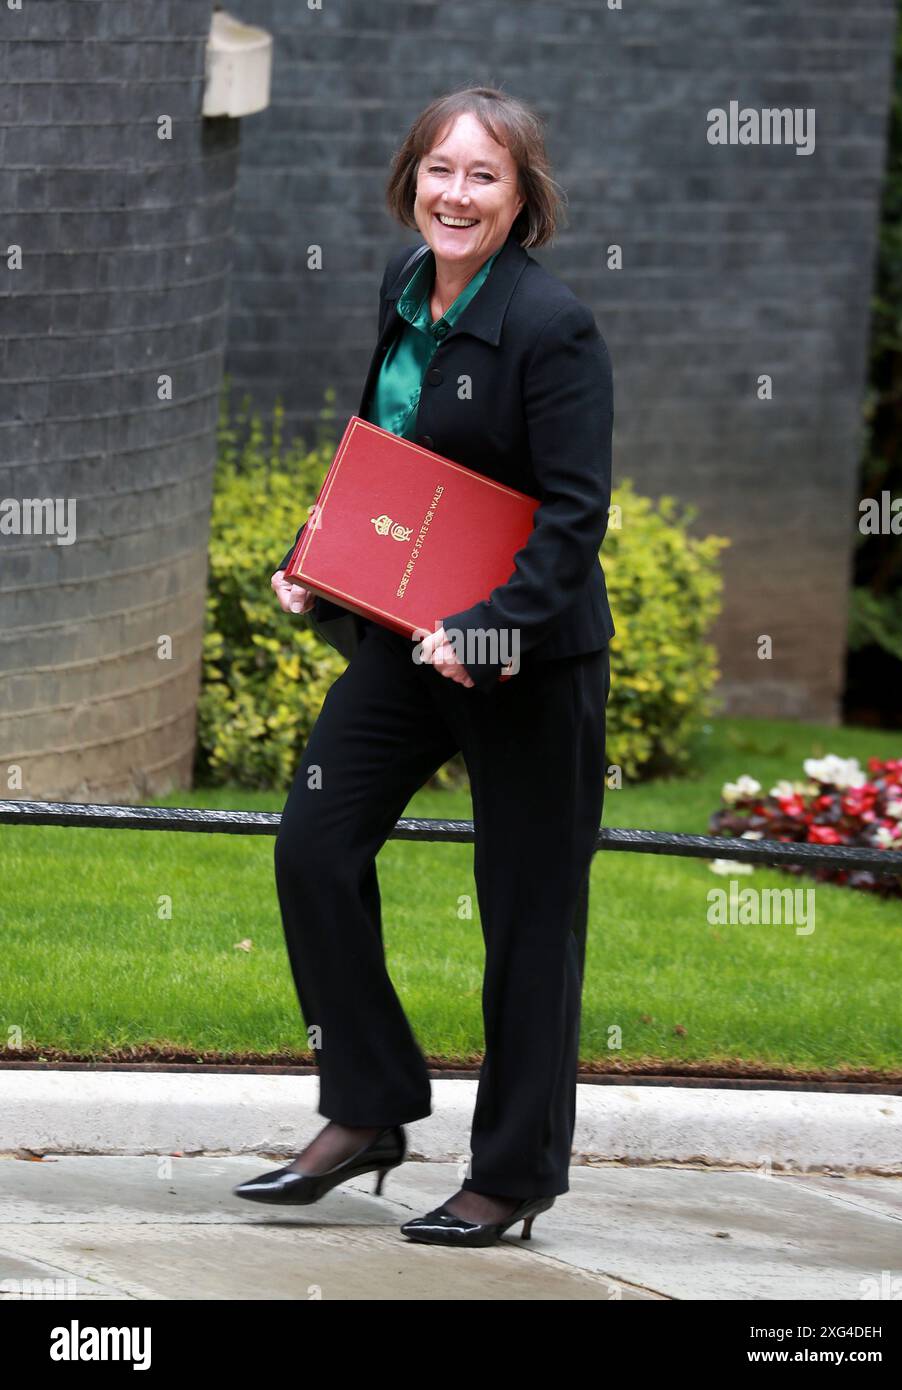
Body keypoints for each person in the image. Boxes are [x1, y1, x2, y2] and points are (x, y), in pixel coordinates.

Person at [234, 86, 614, 1248]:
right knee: (313, 843)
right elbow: (391, 472)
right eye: (439, 170)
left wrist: (488, 628)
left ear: (520, 198)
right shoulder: (402, 291)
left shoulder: (552, 329)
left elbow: (572, 517)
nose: (454, 193)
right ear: (412, 178)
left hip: (524, 660)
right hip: (407, 645)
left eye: (482, 177)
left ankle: (511, 1175)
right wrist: (318, 556)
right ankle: (370, 1104)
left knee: (527, 917)